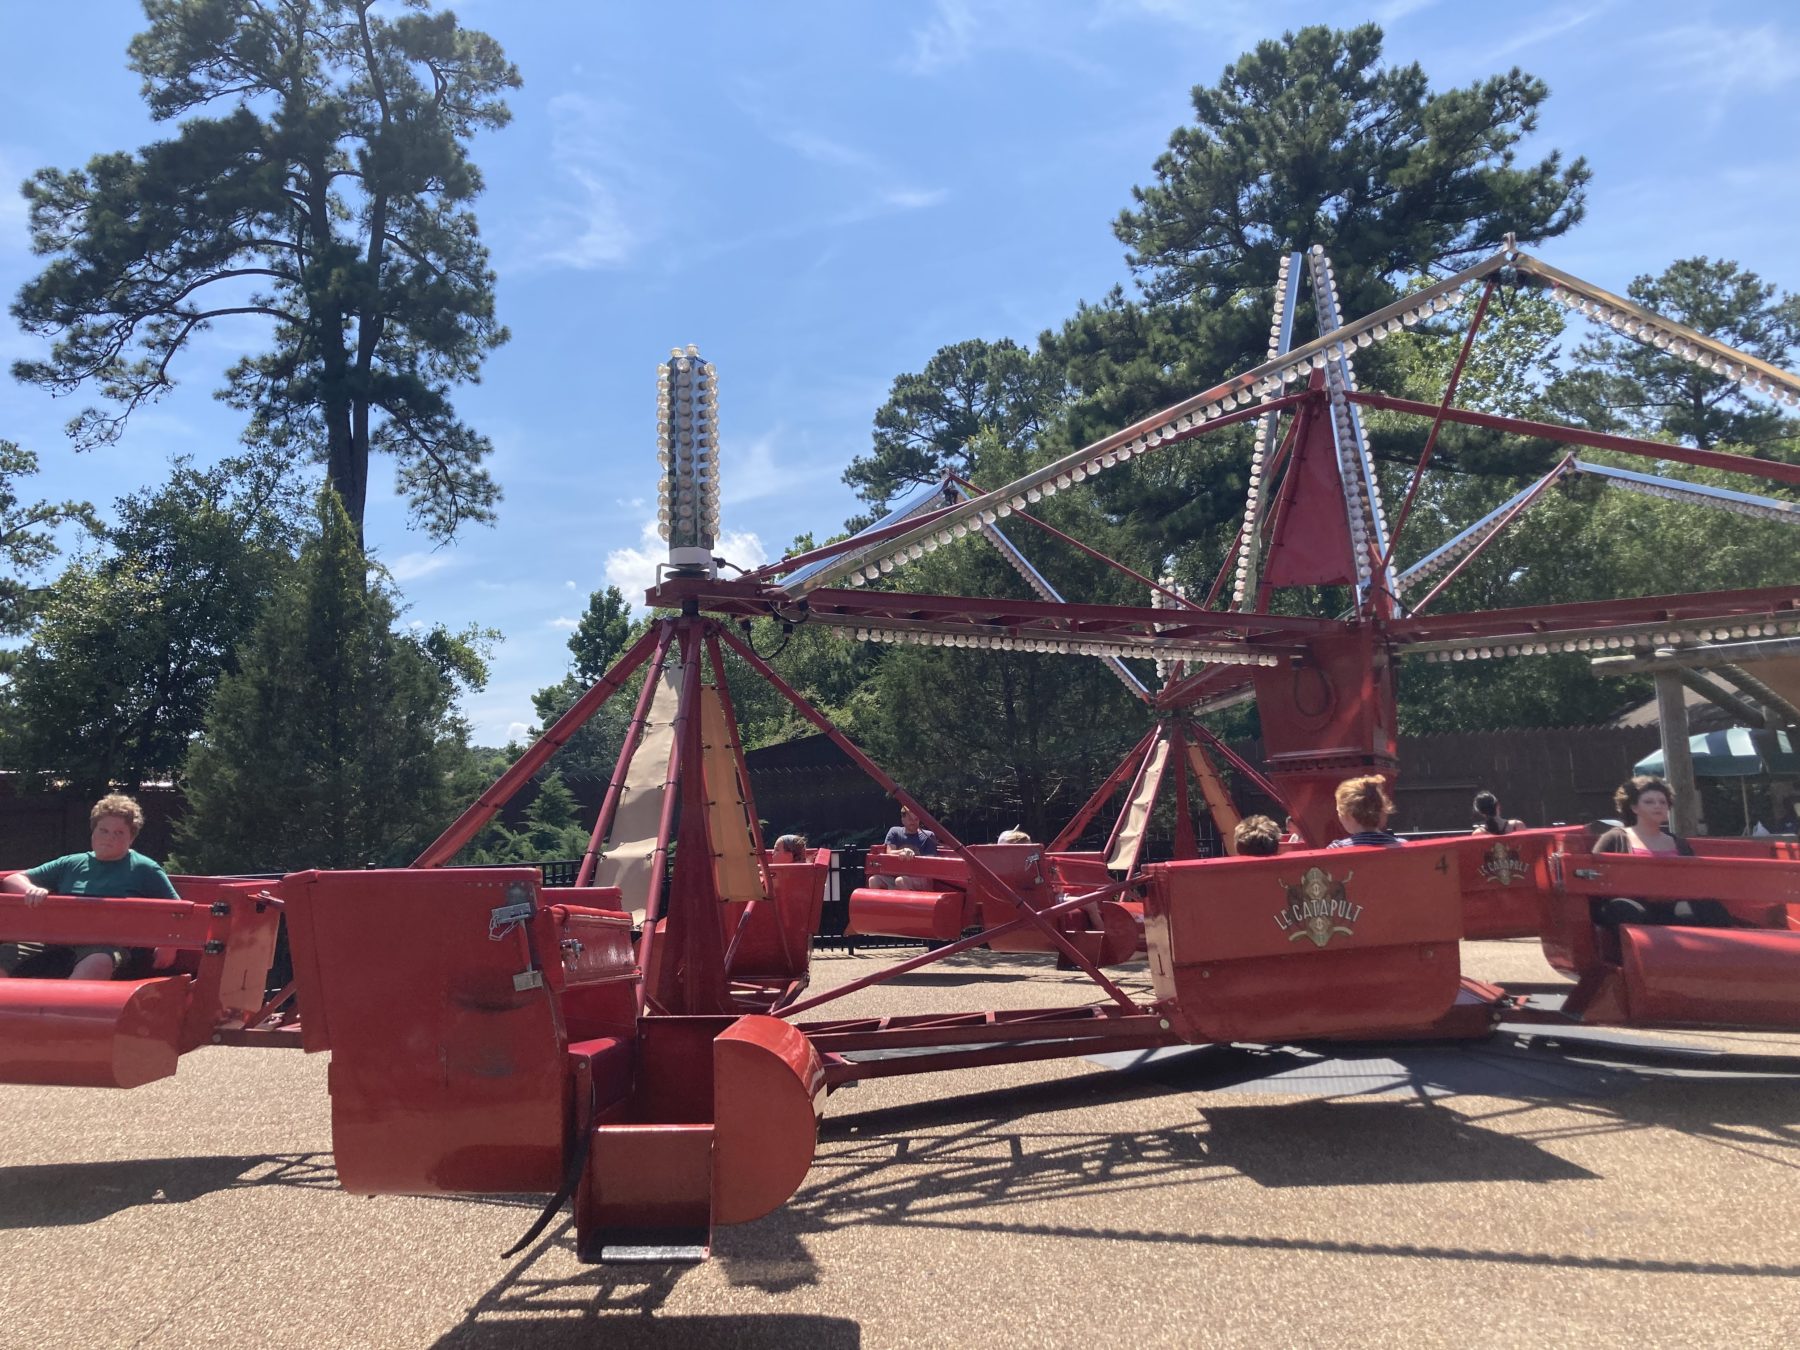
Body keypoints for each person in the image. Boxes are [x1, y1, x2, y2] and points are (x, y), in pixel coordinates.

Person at [0, 794, 180, 981]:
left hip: (107, 946)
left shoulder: (144, 868)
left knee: (97, 962)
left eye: (119, 833)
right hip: (55, 940)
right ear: (93, 831)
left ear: (131, 838)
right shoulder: (70, 863)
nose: (109, 838)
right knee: (6, 952)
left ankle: (64, 1009)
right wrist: (30, 890)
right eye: (103, 830)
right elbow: (14, 879)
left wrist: (169, 945)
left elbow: (178, 910)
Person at [1591, 776, 1731, 927]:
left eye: (1662, 802)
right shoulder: (1615, 838)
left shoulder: (1679, 843)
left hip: (1673, 907)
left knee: (1709, 908)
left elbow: (1695, 881)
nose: (1657, 806)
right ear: (1634, 807)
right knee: (1624, 910)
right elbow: (1593, 878)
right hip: (1635, 908)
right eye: (1649, 802)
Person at [1326, 776, 1404, 848]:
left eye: (1339, 812)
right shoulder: (1401, 845)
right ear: (1382, 810)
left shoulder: (1338, 848)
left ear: (1349, 814)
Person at [874, 805, 939, 889]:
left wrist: (913, 858)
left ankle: (907, 902)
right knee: (874, 880)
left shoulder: (928, 835)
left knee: (900, 881)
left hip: (921, 878)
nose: (913, 822)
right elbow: (889, 852)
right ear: (903, 820)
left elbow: (931, 861)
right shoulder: (894, 832)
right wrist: (902, 851)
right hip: (896, 875)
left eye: (916, 819)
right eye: (910, 819)